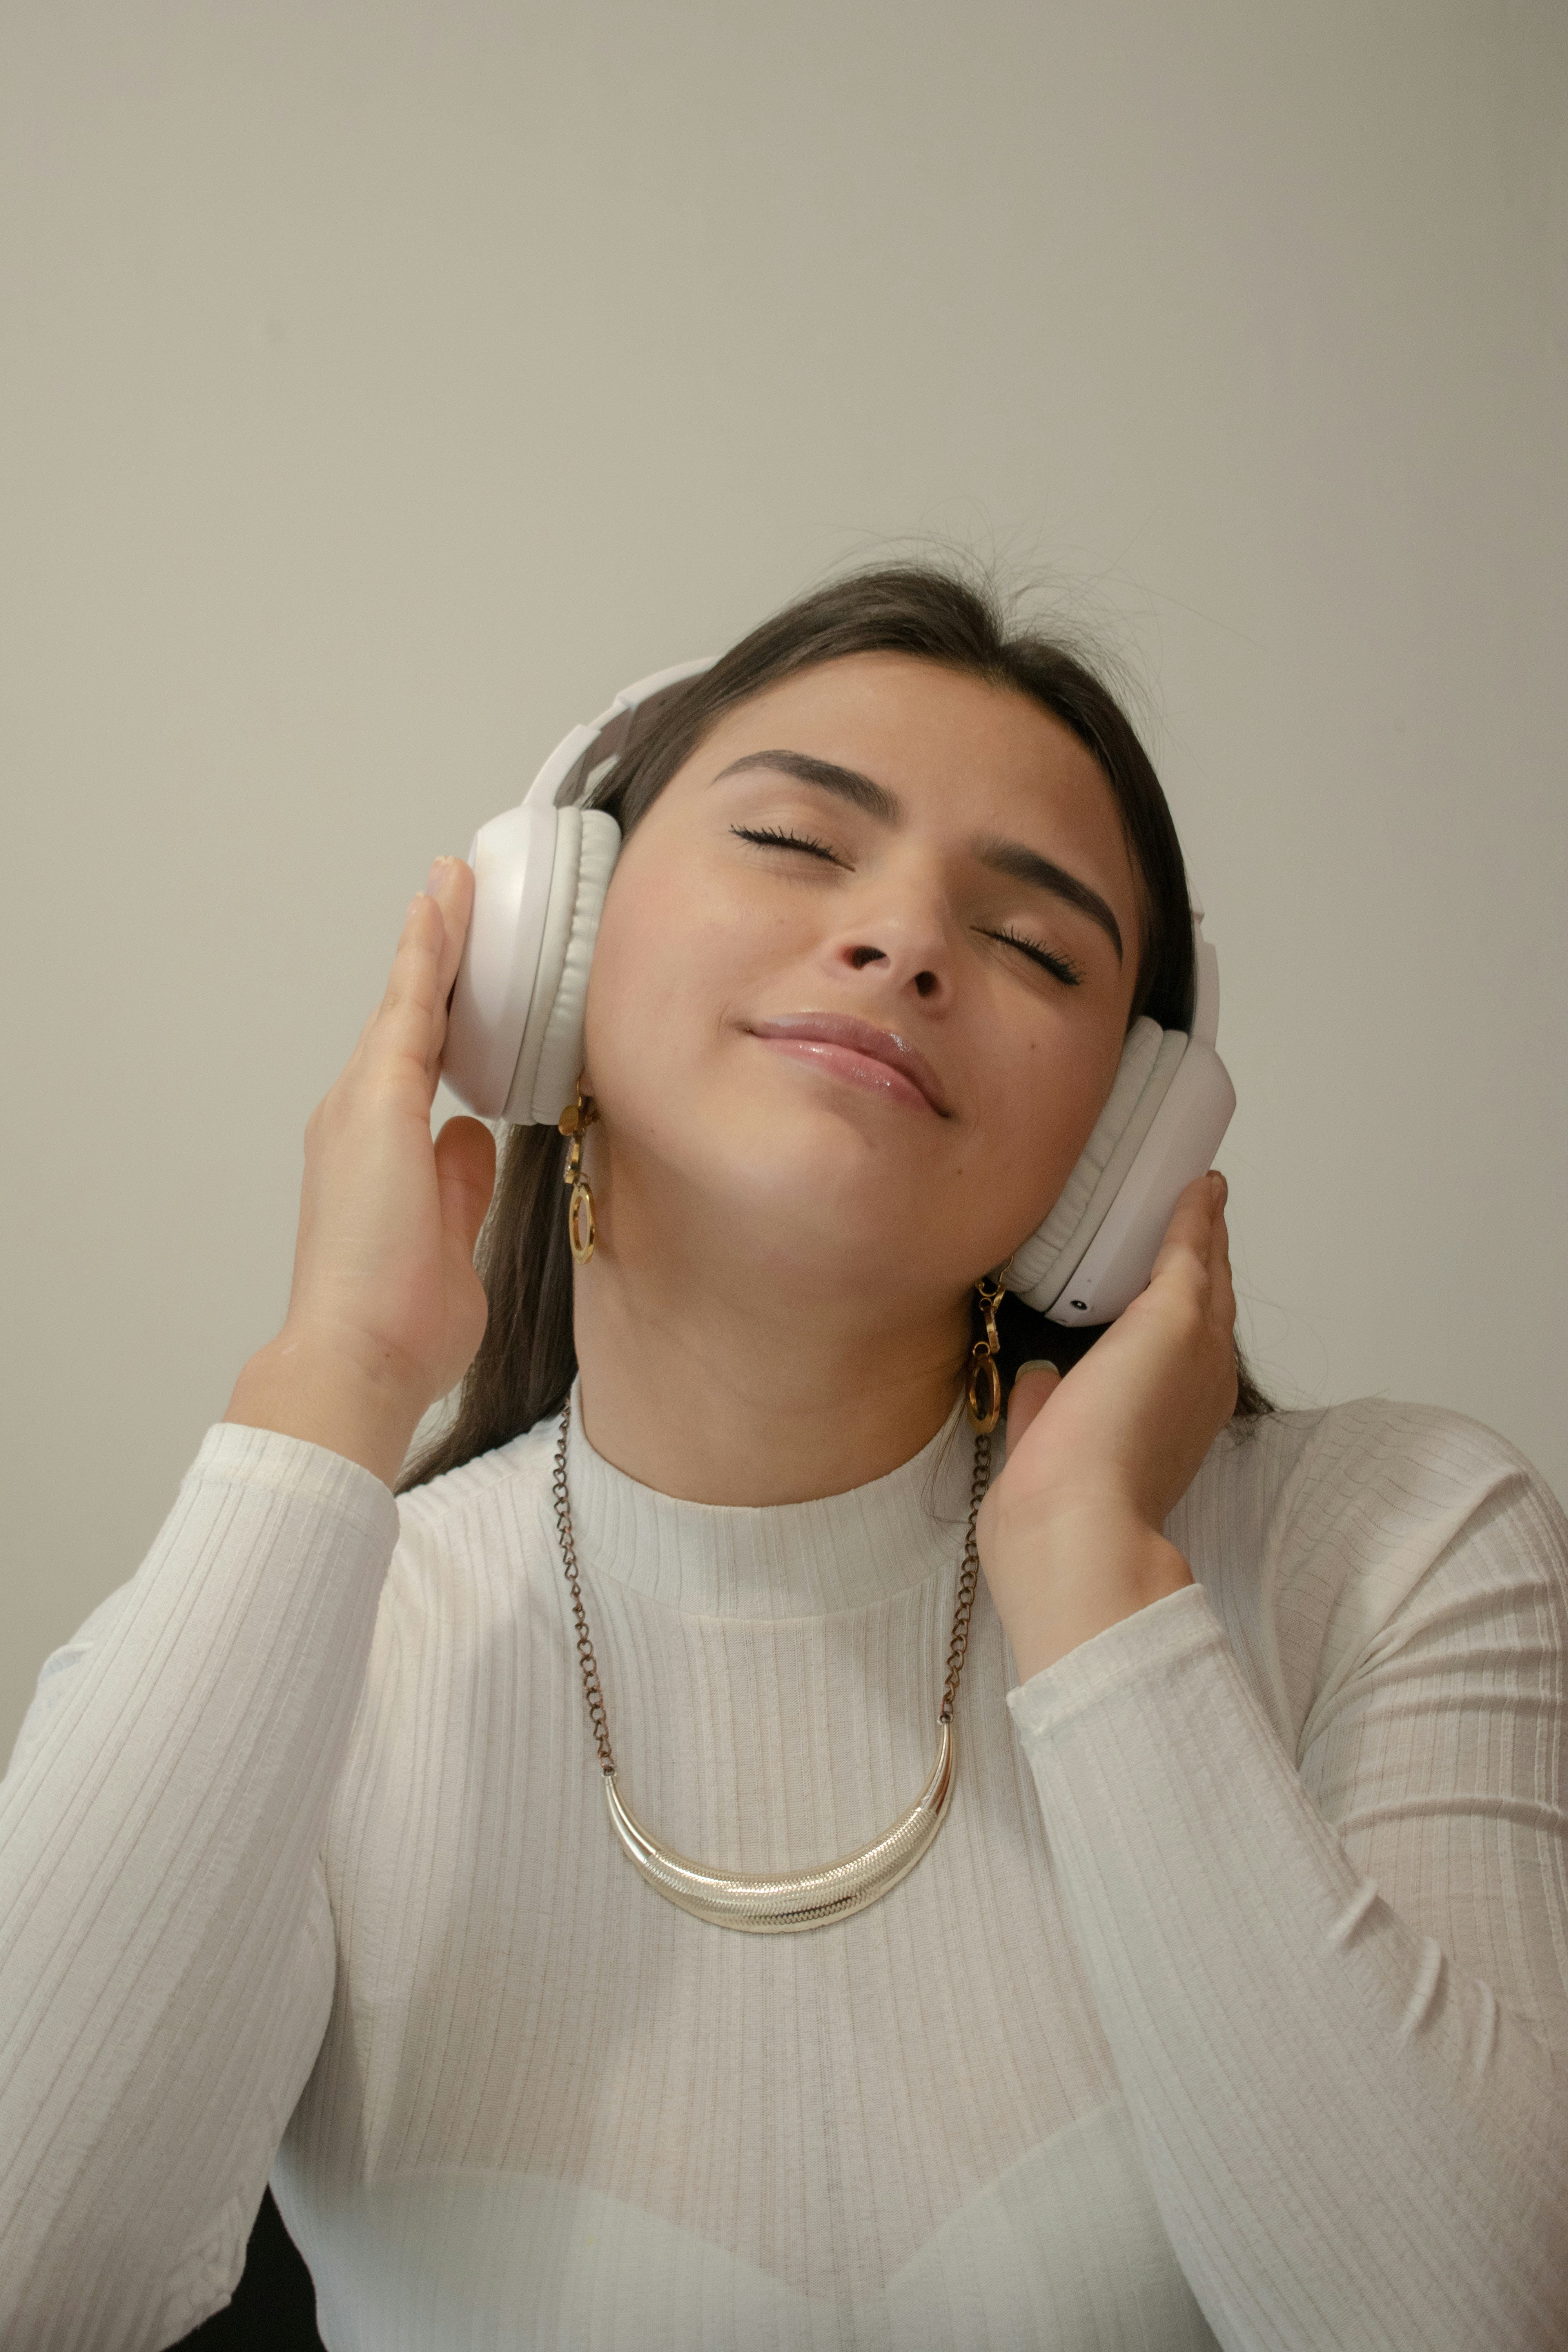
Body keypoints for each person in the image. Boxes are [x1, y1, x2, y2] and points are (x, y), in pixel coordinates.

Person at [2, 563, 1565, 2352]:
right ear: (548, 952)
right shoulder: (320, 1633)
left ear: (1117, 1154)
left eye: (1037, 945)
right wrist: (333, 1384)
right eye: (797, 843)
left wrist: (1096, 1593)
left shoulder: (1391, 1551)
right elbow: (36, 2274)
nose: (903, 942)